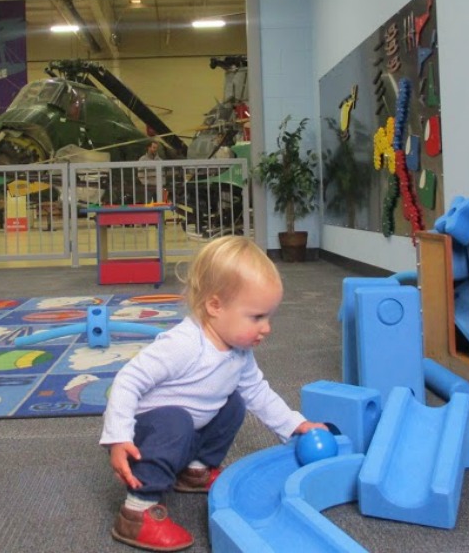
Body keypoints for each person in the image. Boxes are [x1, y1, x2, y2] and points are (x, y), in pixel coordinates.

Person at [100, 235, 328, 551]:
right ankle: (137, 512)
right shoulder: (184, 344)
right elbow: (128, 380)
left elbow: (258, 392)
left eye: (268, 317)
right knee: (176, 420)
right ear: (215, 306)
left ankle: (195, 471)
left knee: (235, 402)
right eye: (257, 317)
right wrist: (118, 437)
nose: (267, 328)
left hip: (184, 432)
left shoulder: (239, 351)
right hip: (142, 438)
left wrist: (294, 424)